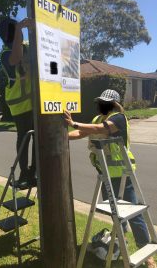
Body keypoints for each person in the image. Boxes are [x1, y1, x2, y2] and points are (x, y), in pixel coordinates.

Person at [64, 89, 157, 268]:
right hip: (105, 174)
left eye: (105, 102)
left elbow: (102, 130)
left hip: (122, 175)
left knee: (134, 215)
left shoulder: (119, 118)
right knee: (114, 214)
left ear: (114, 104)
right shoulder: (96, 119)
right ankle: (118, 243)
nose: (101, 105)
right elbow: (82, 133)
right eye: (100, 101)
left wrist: (74, 123)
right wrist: (62, 137)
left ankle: (147, 256)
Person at [0, 17, 36, 187]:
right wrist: (19, 30)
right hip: (19, 104)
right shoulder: (6, 53)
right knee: (24, 137)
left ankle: (33, 171)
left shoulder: (27, 45)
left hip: (34, 101)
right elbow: (16, 57)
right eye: (14, 30)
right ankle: (24, 175)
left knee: (37, 136)